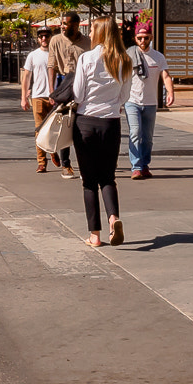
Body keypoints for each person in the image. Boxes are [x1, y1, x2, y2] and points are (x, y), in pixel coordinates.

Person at [69, 18, 131, 247]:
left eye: (93, 28)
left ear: (101, 32)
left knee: (88, 181)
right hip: (111, 122)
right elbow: (125, 95)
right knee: (108, 177)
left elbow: (78, 94)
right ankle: (113, 218)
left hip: (86, 121)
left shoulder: (87, 58)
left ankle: (94, 235)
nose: (89, 31)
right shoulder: (124, 60)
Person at [20, 26, 73, 175]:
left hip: (56, 98)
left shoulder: (57, 54)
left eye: (46, 36)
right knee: (39, 130)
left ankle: (53, 151)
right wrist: (23, 97)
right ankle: (42, 162)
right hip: (37, 96)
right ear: (38, 39)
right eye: (41, 36)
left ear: (51, 37)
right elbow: (26, 78)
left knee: (55, 129)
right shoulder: (33, 56)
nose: (44, 39)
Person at [124, 22, 174, 179]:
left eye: (146, 38)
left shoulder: (158, 56)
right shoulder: (128, 55)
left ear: (151, 37)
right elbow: (122, 78)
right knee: (135, 132)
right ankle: (136, 166)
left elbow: (165, 75)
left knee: (147, 137)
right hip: (132, 101)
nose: (142, 41)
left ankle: (145, 164)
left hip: (151, 102)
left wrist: (170, 92)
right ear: (135, 38)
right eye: (139, 38)